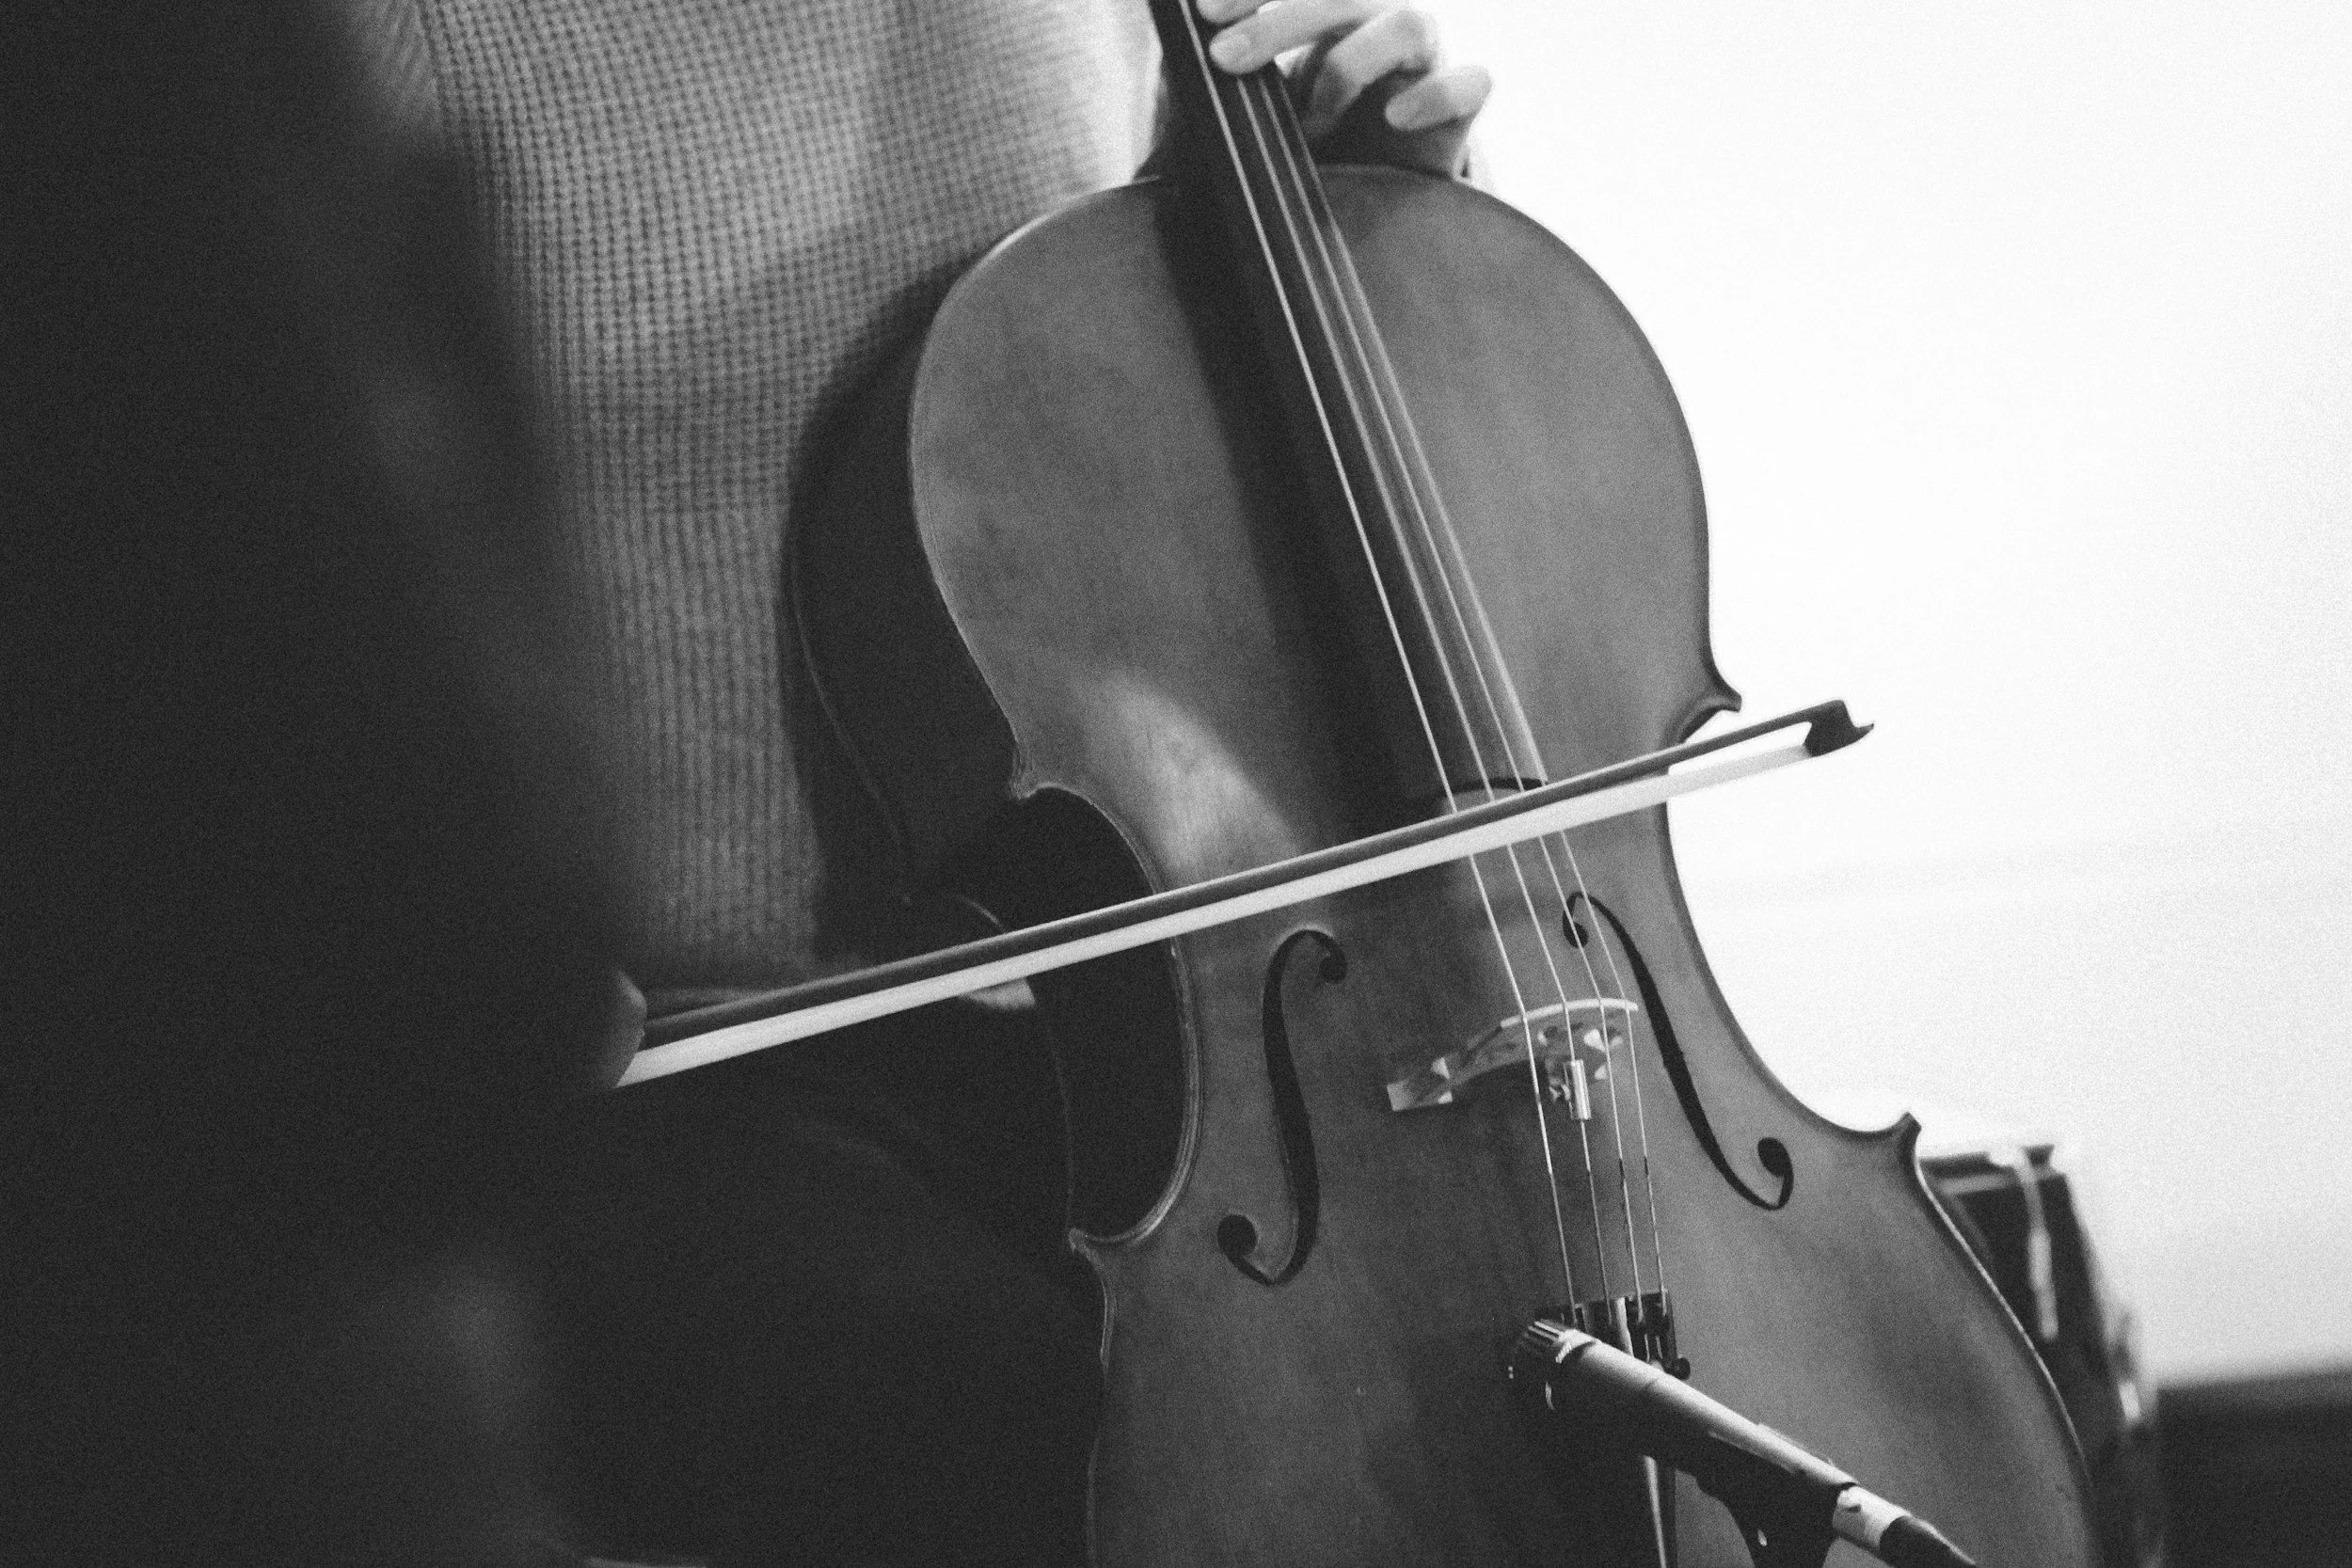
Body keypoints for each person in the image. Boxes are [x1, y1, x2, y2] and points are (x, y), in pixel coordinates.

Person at [358, 3, 1495, 1562]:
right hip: (697, 1065)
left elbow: (1183, 398)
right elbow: (194, 582)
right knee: (1024, 1422)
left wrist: (1368, 204)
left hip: (1180, 1011)